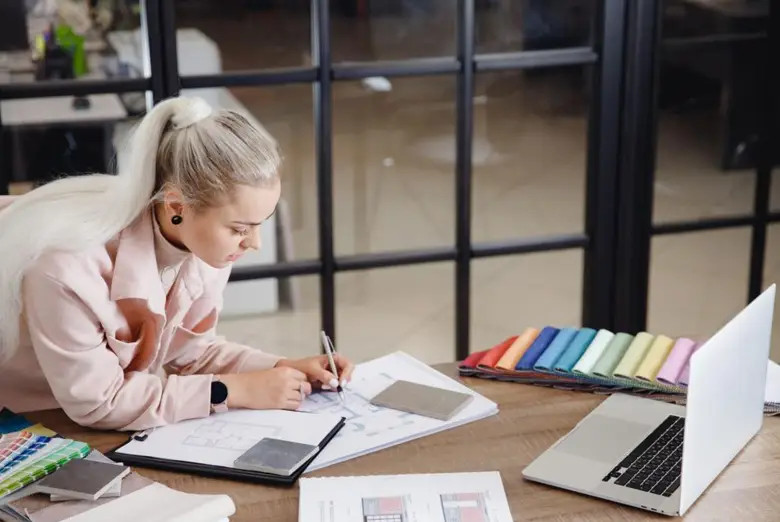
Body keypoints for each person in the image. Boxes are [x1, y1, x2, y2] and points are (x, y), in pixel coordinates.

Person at [0, 96, 354, 431]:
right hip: (25, 419)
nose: (255, 244)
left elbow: (191, 352)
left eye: (260, 224)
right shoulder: (65, 267)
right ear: (176, 206)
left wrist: (282, 368)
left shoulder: (203, 246)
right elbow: (98, 402)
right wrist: (235, 390)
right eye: (240, 228)